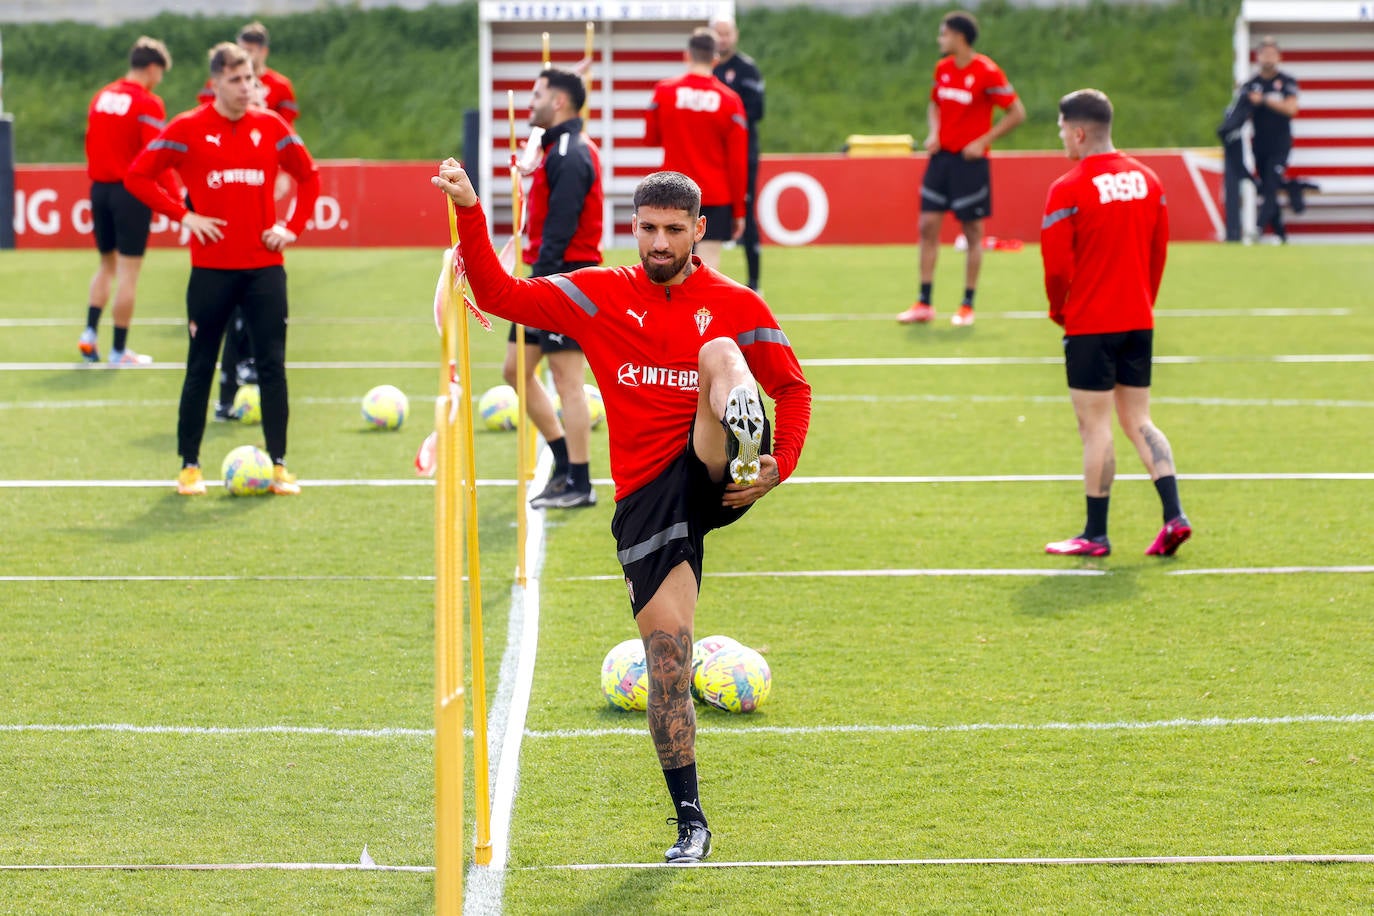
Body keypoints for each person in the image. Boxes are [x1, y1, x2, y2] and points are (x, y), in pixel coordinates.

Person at [432, 162, 811, 863]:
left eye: (673, 230)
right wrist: (470, 208)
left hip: (711, 470)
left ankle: (743, 437)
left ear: (699, 231)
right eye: (647, 229)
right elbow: (497, 292)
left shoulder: (738, 303)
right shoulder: (600, 293)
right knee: (667, 659)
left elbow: (793, 386)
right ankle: (691, 822)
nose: (659, 243)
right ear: (632, 229)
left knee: (723, 351)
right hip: (646, 499)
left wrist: (776, 466)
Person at [125, 42, 320, 497]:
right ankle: (190, 466)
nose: (245, 88)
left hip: (264, 270)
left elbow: (309, 177)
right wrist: (183, 215)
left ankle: (279, 466)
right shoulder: (187, 128)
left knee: (272, 367)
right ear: (214, 83)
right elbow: (138, 174)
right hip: (211, 272)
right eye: (235, 80)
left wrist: (291, 227)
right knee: (200, 367)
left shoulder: (271, 126)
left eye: (249, 79)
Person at [1040, 89, 1190, 559]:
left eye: (1063, 128)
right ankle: (1174, 516)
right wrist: (1145, 300)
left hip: (1090, 323)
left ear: (1079, 132)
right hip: (1137, 318)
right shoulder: (1149, 181)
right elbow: (1159, 251)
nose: (1061, 136)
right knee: (1138, 418)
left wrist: (1059, 310)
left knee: (1096, 426)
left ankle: (1096, 534)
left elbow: (1056, 267)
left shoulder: (1068, 188)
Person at [513, 67, 604, 510]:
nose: (531, 102)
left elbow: (562, 228)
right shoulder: (555, 147)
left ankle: (580, 482)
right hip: (545, 272)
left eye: (537, 94)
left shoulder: (571, 152)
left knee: (568, 378)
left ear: (560, 102)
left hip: (565, 277)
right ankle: (564, 461)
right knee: (515, 370)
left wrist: (541, 286)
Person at [899, 10, 1025, 328]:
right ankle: (924, 302)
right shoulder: (942, 69)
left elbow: (1016, 113)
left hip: (971, 165)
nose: (940, 39)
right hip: (941, 160)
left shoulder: (987, 71)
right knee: (927, 226)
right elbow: (934, 104)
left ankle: (967, 304)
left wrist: (983, 141)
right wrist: (933, 132)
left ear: (960, 37)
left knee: (972, 234)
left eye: (944, 34)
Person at [79, 36, 177, 367]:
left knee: (106, 264)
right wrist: (177, 202)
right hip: (130, 194)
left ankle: (89, 335)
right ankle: (119, 352)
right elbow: (156, 157)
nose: (159, 80)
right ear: (152, 67)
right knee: (129, 273)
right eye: (160, 73)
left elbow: (90, 143)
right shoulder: (148, 103)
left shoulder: (101, 96)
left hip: (99, 190)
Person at [644, 28, 748, 272]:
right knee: (708, 273)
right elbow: (738, 161)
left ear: (686, 56)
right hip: (715, 196)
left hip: (673, 193)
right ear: (715, 59)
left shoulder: (664, 91)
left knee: (671, 270)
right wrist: (739, 211)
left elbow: (650, 138)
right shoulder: (730, 100)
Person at [711, 15, 765, 292]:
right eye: (718, 34)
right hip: (711, 157)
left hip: (743, 154)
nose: (722, 39)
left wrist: (726, 115)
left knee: (746, 212)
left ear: (736, 35)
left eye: (726, 33)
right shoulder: (708, 69)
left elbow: (757, 112)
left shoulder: (747, 69)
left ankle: (755, 282)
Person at [1244, 36, 1300, 244]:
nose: (1268, 58)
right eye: (1264, 54)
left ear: (1279, 57)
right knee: (1267, 188)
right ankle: (1281, 234)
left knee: (1270, 185)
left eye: (1272, 54)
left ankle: (1257, 229)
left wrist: (1265, 101)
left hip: (1280, 145)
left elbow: (1291, 108)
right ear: (1258, 57)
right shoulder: (1251, 85)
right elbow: (1243, 113)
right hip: (1259, 146)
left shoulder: (1286, 81)